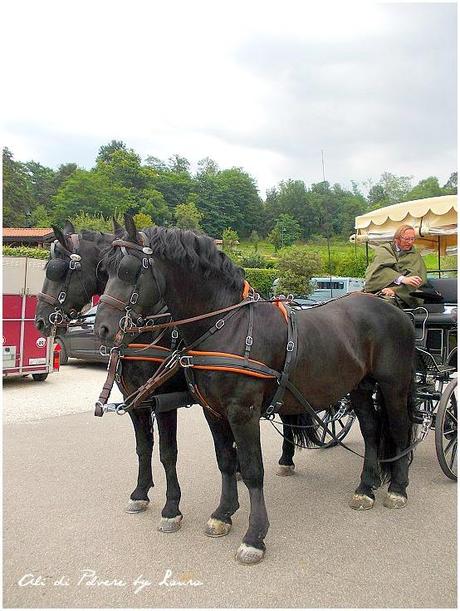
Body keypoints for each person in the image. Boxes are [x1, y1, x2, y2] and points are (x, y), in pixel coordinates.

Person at [364, 224, 427, 308]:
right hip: (378, 289)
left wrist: (394, 290)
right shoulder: (384, 250)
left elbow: (417, 279)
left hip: (404, 294)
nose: (410, 242)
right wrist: (402, 279)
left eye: (412, 239)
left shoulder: (415, 255)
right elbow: (377, 271)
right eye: (407, 239)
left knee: (385, 303)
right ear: (397, 239)